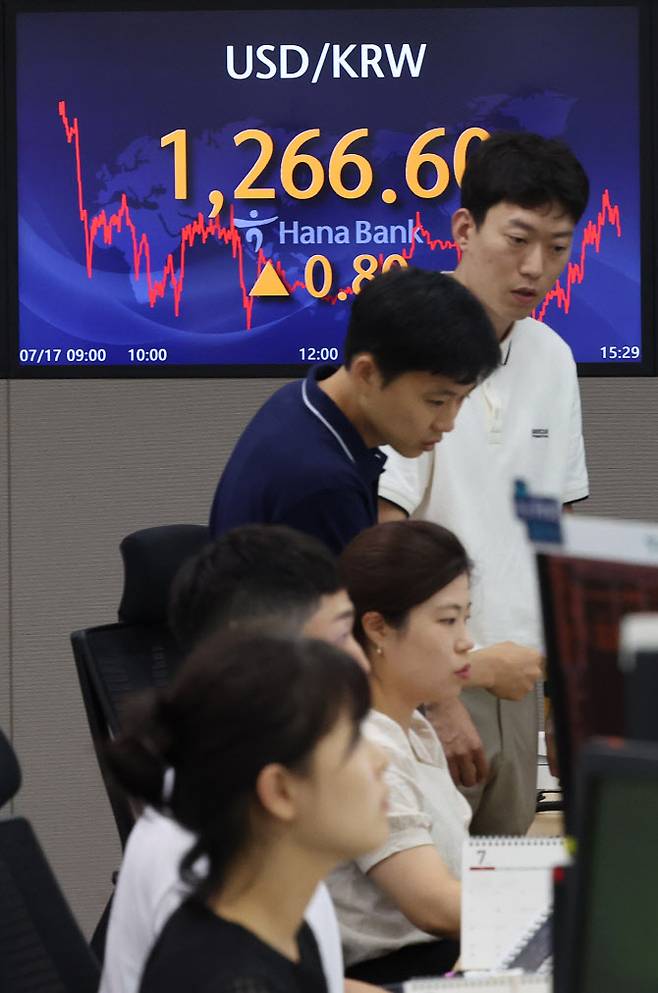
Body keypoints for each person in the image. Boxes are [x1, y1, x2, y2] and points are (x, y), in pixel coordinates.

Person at [378, 131, 590, 835]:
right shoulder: (411, 344)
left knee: (500, 912)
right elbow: (384, 536)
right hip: (433, 682)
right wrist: (437, 697)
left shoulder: (553, 357)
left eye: (558, 248)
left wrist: (569, 692)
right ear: (465, 228)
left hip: (520, 679)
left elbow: (551, 529)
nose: (535, 267)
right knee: (423, 911)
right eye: (519, 238)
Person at [100, 525, 368, 993]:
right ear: (257, 651)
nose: (363, 663)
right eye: (343, 635)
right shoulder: (202, 852)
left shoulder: (247, 797)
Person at [209, 267, 499, 553]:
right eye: (436, 401)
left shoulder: (299, 399)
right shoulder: (322, 487)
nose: (448, 423)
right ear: (367, 373)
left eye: (463, 399)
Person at [328, 520, 474, 985]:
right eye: (448, 620)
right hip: (392, 975)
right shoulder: (366, 744)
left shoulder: (412, 727)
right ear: (378, 628)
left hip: (447, 958)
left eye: (467, 618)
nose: (465, 640)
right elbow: (432, 905)